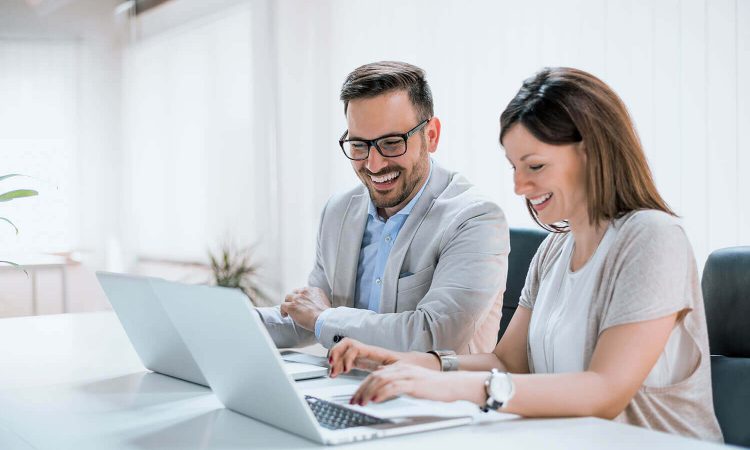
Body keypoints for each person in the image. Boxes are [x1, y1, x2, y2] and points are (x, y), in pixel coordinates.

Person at [328, 67, 723, 442]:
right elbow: (508, 362)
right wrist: (406, 362)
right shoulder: (554, 248)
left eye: (534, 165)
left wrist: (452, 386)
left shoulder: (652, 238)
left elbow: (603, 391)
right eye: (514, 166)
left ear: (593, 154)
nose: (519, 186)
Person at [256, 61, 509, 354]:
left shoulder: (475, 219)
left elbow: (434, 337)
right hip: (347, 390)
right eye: (359, 145)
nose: (374, 165)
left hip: (432, 395)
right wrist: (230, 322)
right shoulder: (338, 211)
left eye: (391, 143)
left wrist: (323, 318)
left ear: (432, 136)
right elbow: (308, 315)